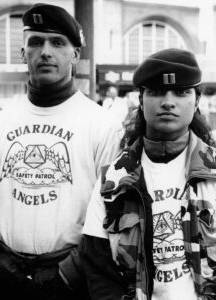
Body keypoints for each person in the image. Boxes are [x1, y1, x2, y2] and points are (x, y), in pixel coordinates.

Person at [0, 3, 123, 300]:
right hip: (2, 277)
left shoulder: (103, 125)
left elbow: (111, 216)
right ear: (23, 54)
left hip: (71, 281)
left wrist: (67, 273)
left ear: (75, 54)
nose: (45, 51)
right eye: (35, 42)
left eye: (58, 43)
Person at [80, 48, 216, 300]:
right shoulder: (114, 181)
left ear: (197, 100)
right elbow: (98, 267)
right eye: (155, 92)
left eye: (181, 92)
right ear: (141, 100)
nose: (168, 101)